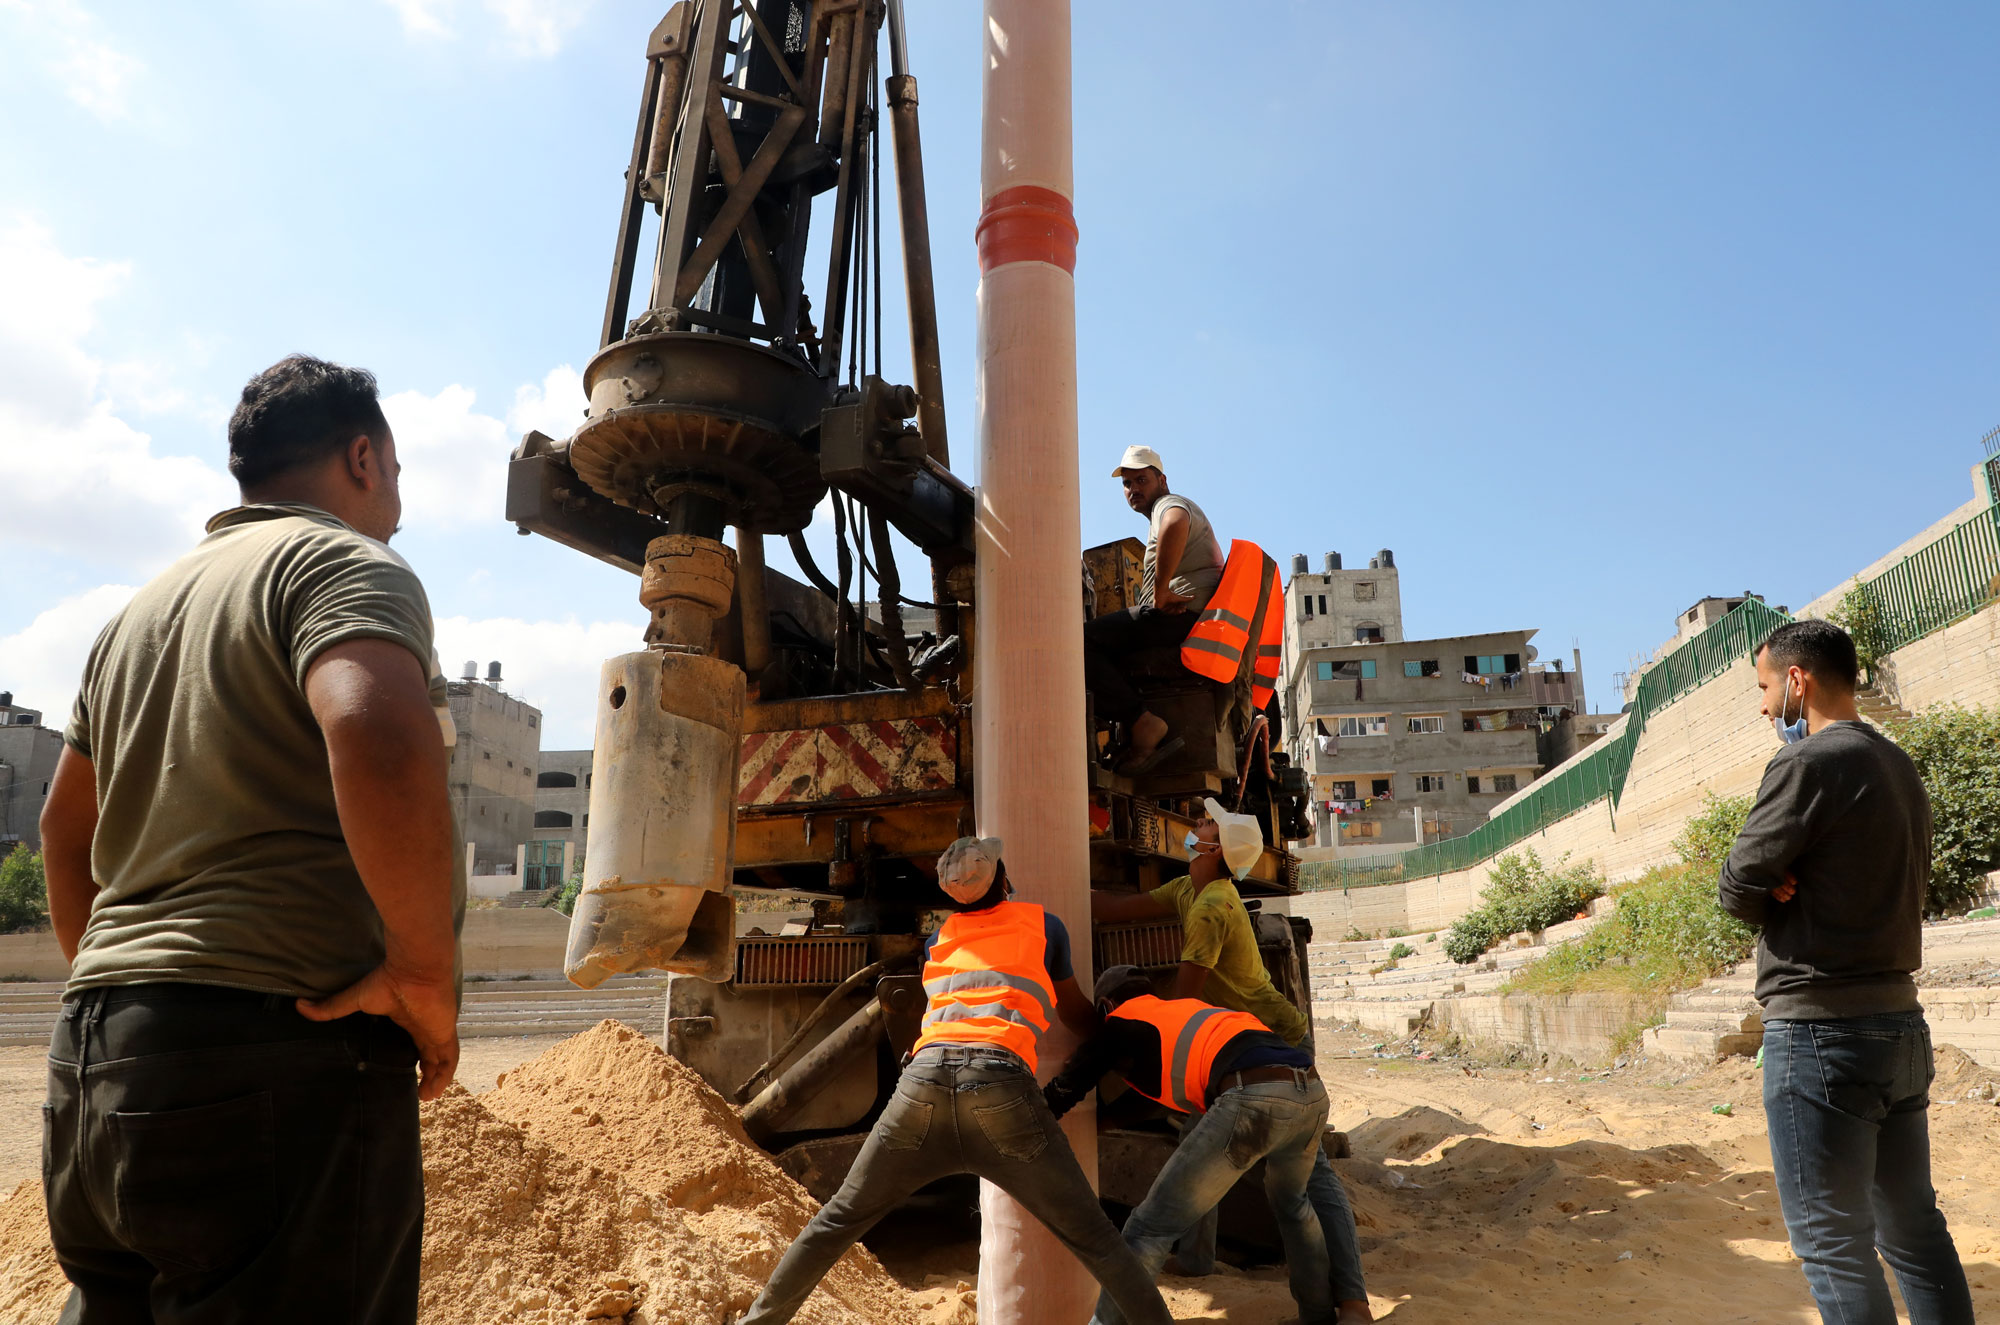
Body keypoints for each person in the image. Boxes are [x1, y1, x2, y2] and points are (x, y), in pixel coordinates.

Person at [37, 355, 462, 1325]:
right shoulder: (341, 563)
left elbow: (65, 829)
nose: (395, 499)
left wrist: (127, 986)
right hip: (278, 1051)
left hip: (95, 1067)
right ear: (362, 455)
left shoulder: (136, 615)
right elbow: (380, 736)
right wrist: (423, 972)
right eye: (393, 472)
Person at [735, 838, 1172, 1325]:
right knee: (1097, 1241)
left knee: (836, 1221)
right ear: (1003, 880)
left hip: (920, 1089)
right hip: (1000, 1089)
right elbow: (1076, 1016)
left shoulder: (937, 942)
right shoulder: (1044, 927)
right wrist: (1118, 1042)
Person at [1718, 619, 1973, 1324]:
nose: (1765, 707)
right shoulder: (1899, 766)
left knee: (1834, 1243)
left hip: (1820, 1036)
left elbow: (1737, 883)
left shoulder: (1807, 766)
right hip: (1900, 1026)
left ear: (1797, 679)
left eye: (1766, 688)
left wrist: (1768, 884)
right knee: (1914, 1231)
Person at [1093, 799, 1371, 1322]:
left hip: (1267, 1041)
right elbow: (1111, 908)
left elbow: (1183, 1005)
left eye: (1201, 825)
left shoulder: (1211, 907)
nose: (1192, 827)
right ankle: (1198, 1259)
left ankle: (1352, 1298)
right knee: (1199, 1140)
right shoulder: (1186, 888)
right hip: (1231, 1048)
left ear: (1214, 847)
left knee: (1312, 1183)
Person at [1046, 965, 1334, 1325]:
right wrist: (1099, 1122)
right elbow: (1149, 1100)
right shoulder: (1178, 1015)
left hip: (1252, 1097)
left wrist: (1031, 1116)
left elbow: (1069, 1087)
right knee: (1294, 1206)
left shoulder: (1121, 1021)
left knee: (1148, 1228)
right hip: (1310, 1091)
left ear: (1106, 1005)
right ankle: (1319, 1316)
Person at [1084, 445, 1226, 774]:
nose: (1134, 489)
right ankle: (1136, 727)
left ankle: (1142, 723)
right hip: (1189, 621)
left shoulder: (1170, 504)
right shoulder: (1159, 512)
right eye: (1127, 484)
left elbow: (1175, 522)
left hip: (1180, 617)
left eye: (1141, 480)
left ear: (1162, 480)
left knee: (1080, 642)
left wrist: (1160, 593)